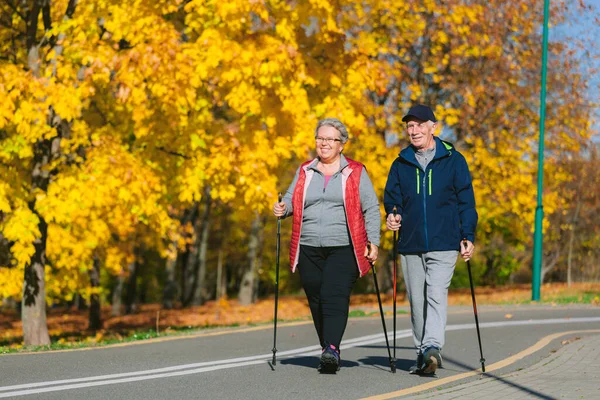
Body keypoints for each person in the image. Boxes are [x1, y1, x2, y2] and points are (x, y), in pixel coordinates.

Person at [272, 118, 381, 373]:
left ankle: (332, 347)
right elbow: (290, 199)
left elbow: (371, 208)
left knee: (334, 294)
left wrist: (373, 241)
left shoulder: (355, 171)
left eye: (330, 139)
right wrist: (283, 208)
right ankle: (327, 348)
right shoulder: (305, 170)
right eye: (320, 138)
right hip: (308, 245)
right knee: (316, 296)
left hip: (344, 246)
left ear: (341, 144)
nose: (324, 143)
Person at [384, 104, 478, 375]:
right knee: (417, 300)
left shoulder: (454, 159)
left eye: (419, 125)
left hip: (445, 241)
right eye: (409, 126)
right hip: (411, 243)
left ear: (432, 127)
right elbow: (392, 199)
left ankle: (432, 347)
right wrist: (393, 215)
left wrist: (467, 235)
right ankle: (422, 355)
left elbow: (466, 202)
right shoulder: (400, 162)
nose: (413, 131)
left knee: (436, 294)